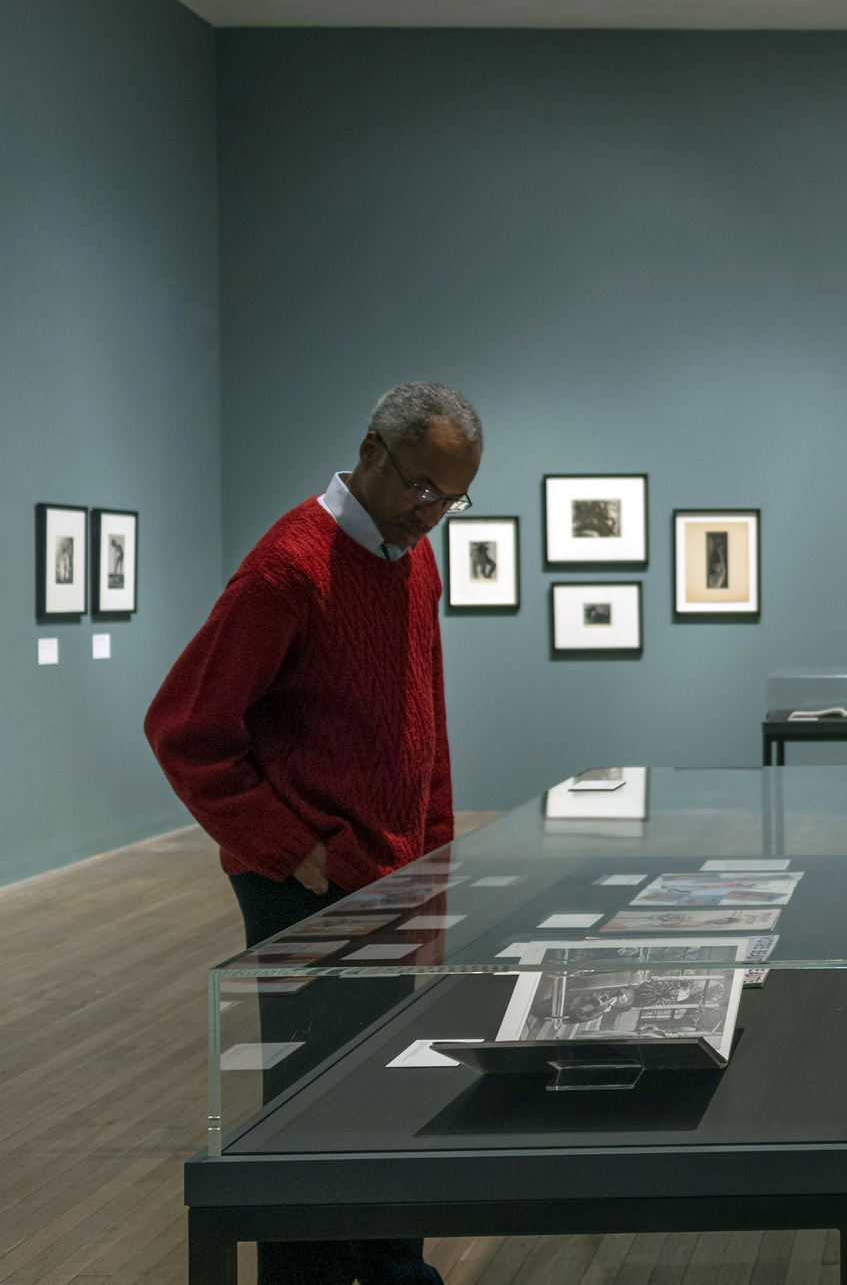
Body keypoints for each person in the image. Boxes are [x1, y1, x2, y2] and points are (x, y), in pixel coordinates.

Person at [146, 382, 482, 1285]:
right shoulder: (288, 570)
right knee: (310, 1108)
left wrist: (435, 862)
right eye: (421, 487)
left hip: (393, 876)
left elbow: (424, 724)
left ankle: (394, 1268)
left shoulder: (414, 560)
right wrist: (295, 851)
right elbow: (184, 729)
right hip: (309, 885)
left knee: (395, 1083)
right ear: (372, 451)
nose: (431, 512)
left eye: (452, 499)